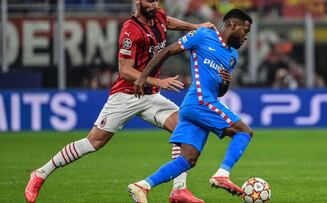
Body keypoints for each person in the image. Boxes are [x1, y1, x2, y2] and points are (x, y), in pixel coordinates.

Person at [24, 0, 215, 202]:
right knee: (94, 142)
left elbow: (167, 21)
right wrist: (157, 80)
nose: (155, 4)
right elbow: (125, 71)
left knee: (184, 130)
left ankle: (179, 190)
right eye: (150, 1)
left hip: (151, 96)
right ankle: (40, 174)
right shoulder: (130, 30)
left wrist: (195, 27)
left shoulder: (157, 14)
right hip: (126, 95)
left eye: (157, 0)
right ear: (137, 1)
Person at [129, 8, 253, 203]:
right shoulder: (204, 35)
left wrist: (226, 83)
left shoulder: (232, 57)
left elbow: (220, 92)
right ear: (232, 25)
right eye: (245, 32)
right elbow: (168, 50)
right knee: (244, 132)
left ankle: (143, 186)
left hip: (196, 105)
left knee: (188, 159)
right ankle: (222, 174)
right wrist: (144, 77)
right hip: (200, 102)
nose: (246, 38)